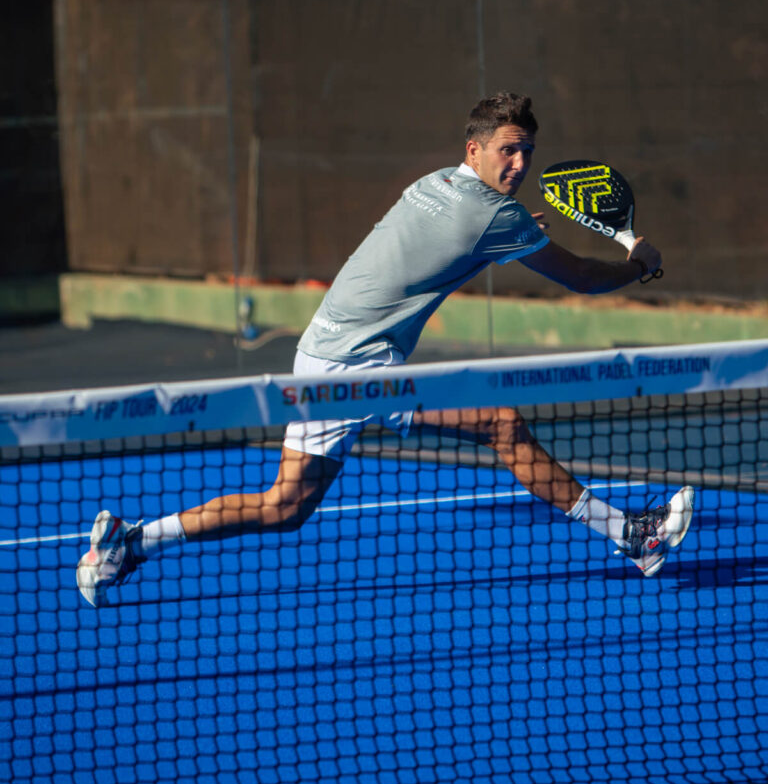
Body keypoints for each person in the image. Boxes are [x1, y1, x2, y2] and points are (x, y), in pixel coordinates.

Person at [77, 92, 694, 607]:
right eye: (507, 150)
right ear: (474, 150)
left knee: (285, 506)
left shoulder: (433, 183)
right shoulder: (497, 219)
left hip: (320, 351)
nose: (519, 163)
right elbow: (581, 278)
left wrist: (517, 229)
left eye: (527, 151)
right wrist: (638, 264)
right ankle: (630, 534)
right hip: (356, 369)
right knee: (503, 425)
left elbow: (453, 238)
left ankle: (131, 542)